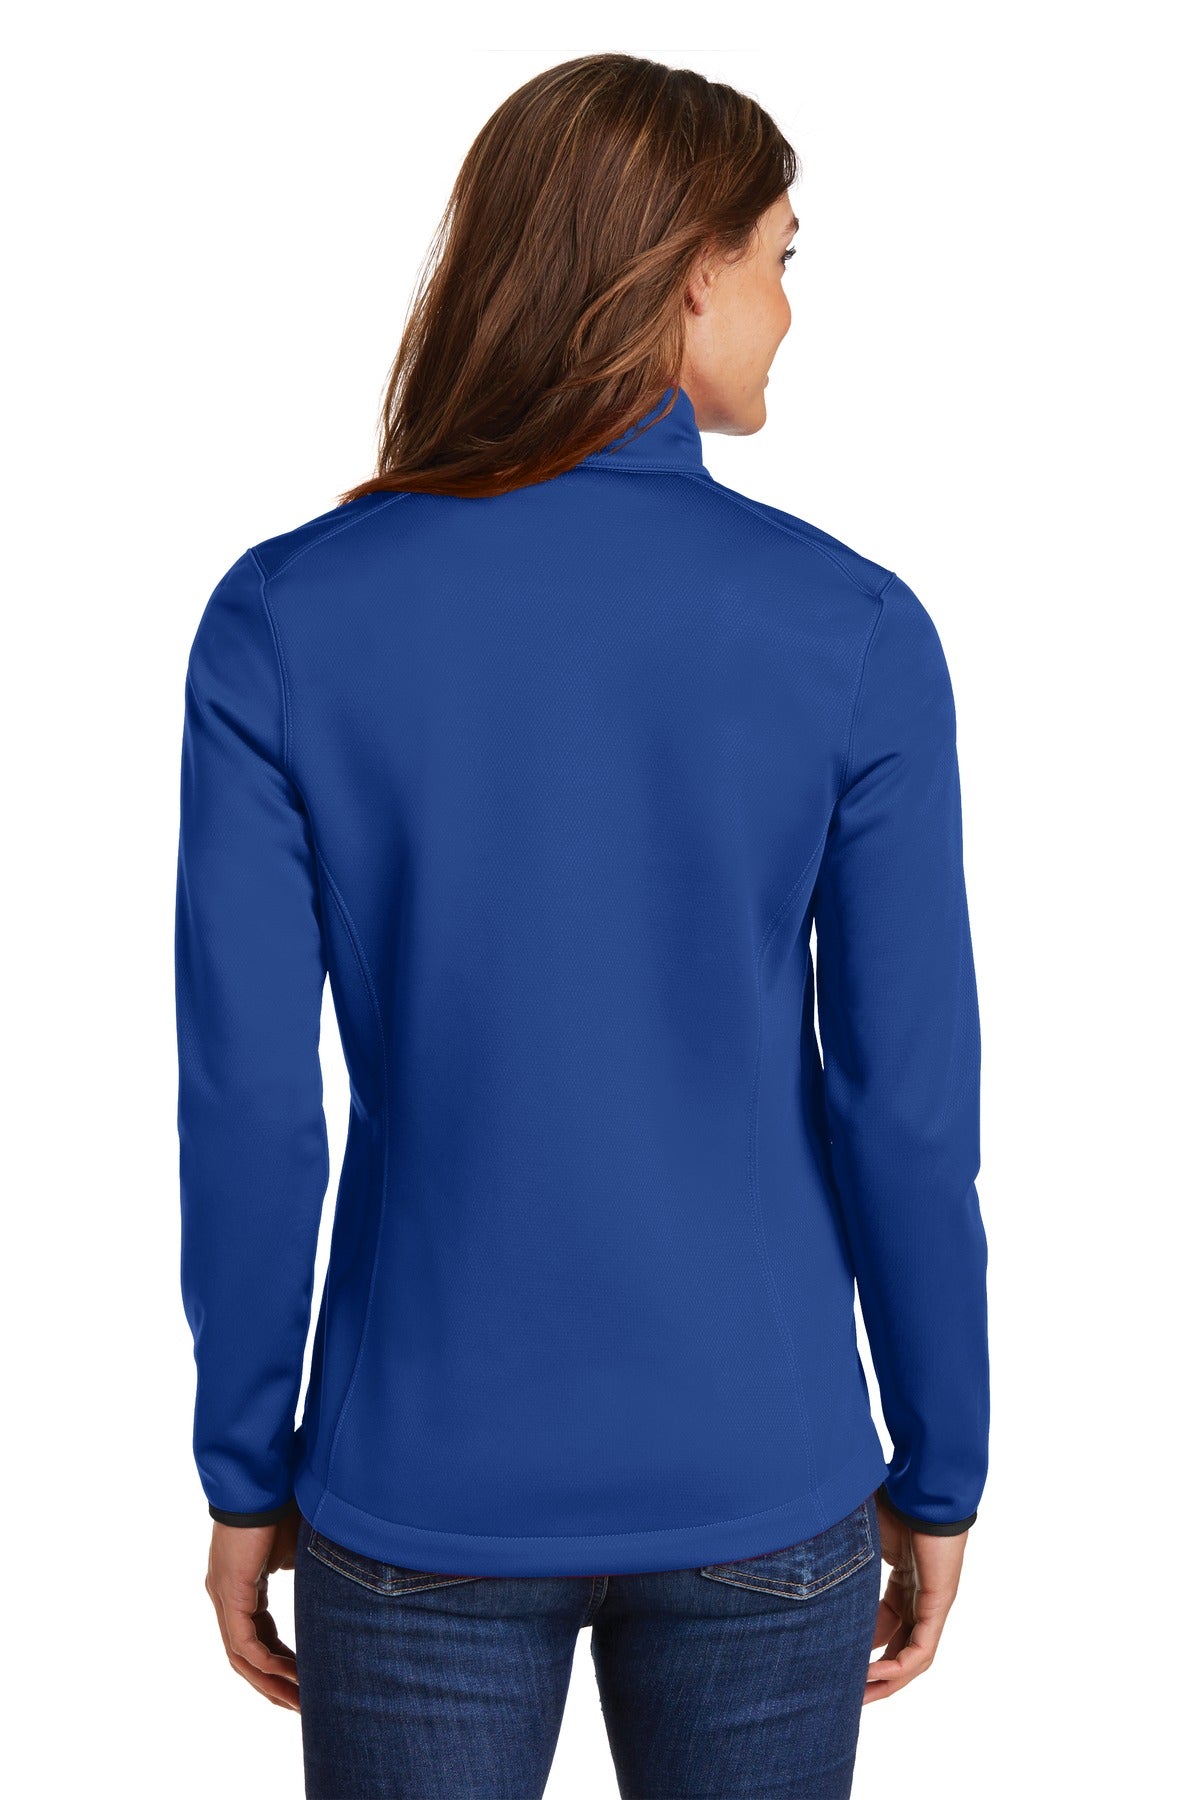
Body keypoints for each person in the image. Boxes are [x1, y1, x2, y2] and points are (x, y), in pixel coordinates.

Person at [175, 51, 989, 1800]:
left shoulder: (287, 618)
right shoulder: (850, 629)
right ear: (690, 272)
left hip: (420, 1486)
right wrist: (942, 1463)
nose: (788, 309)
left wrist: (244, 1466)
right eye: (781, 256)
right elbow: (907, 1110)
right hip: (762, 1476)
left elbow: (247, 1107)